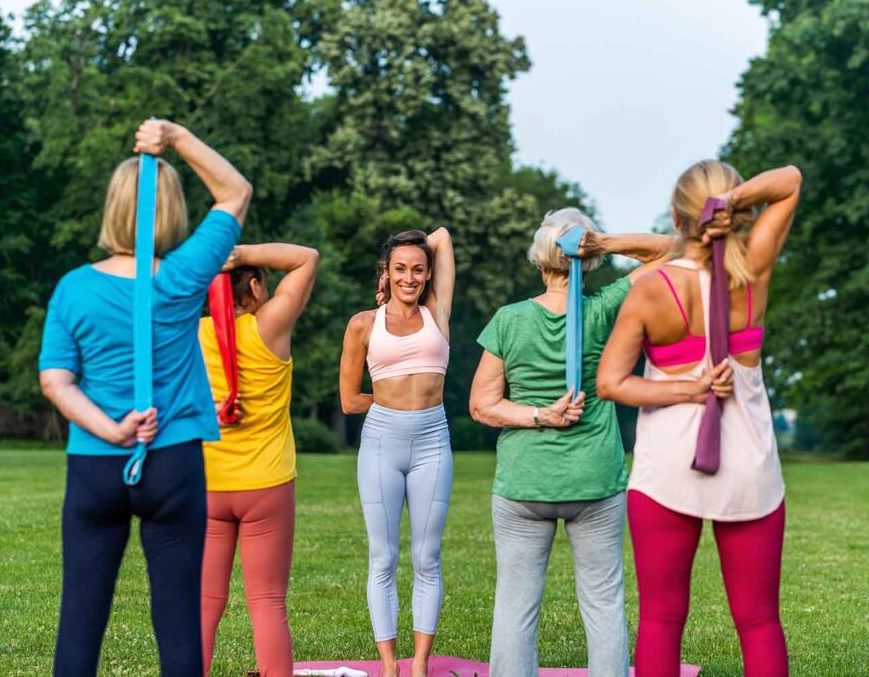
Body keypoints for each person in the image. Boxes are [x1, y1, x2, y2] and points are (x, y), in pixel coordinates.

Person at [38, 119, 251, 677]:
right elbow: (236, 191)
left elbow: (55, 381)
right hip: (173, 463)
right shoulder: (182, 277)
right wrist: (177, 138)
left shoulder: (73, 288)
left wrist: (110, 430)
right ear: (171, 210)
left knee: (80, 621)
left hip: (94, 466)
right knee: (179, 623)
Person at [470, 208, 700, 676]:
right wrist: (606, 242)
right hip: (595, 479)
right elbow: (674, 249)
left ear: (539, 259)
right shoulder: (607, 306)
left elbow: (482, 406)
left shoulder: (509, 320)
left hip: (523, 483)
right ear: (586, 257)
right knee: (603, 603)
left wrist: (537, 415)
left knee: (516, 605)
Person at [597, 161, 802, 677]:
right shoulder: (752, 270)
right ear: (730, 211)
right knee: (759, 624)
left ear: (675, 215)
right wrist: (736, 200)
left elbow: (611, 383)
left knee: (662, 621)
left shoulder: (651, 287)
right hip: (750, 470)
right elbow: (791, 179)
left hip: (667, 472)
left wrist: (687, 387)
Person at [198, 242, 319, 677]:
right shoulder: (270, 326)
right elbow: (307, 257)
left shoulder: (194, 333)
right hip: (267, 484)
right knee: (267, 602)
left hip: (209, 484)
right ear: (253, 284)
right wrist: (243, 250)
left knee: (205, 603)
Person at [339, 228, 455, 677]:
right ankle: (389, 665)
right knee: (383, 556)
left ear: (428, 276)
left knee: (427, 556)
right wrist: (390, 403)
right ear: (385, 273)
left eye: (418, 270)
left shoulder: (437, 312)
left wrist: (410, 245)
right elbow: (350, 401)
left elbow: (442, 238)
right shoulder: (363, 324)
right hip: (382, 441)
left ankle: (420, 663)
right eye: (399, 268)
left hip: (433, 441)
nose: (410, 277)